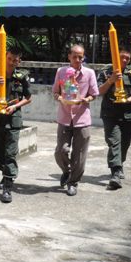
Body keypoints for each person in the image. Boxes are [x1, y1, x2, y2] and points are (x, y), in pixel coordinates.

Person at [0, 48, 32, 203]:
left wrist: (15, 107)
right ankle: (5, 174)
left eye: (15, 60)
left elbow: (28, 98)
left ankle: (7, 187)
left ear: (19, 61)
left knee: (10, 154)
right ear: (5, 57)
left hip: (13, 120)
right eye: (9, 58)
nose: (12, 62)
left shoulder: (22, 77)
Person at [52, 44, 99, 197]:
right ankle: (66, 171)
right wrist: (61, 99)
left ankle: (73, 182)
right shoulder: (61, 72)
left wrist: (86, 99)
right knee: (61, 151)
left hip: (82, 118)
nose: (78, 60)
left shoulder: (89, 73)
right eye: (75, 57)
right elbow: (55, 92)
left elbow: (94, 94)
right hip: (64, 117)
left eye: (80, 57)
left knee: (79, 154)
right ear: (69, 57)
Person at [97, 44, 131, 190]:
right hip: (110, 113)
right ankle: (116, 174)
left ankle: (119, 163)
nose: (124, 60)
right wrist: (110, 80)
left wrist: (129, 99)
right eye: (121, 57)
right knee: (114, 142)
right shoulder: (106, 71)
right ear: (115, 56)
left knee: (125, 143)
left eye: (127, 58)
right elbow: (99, 91)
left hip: (127, 114)